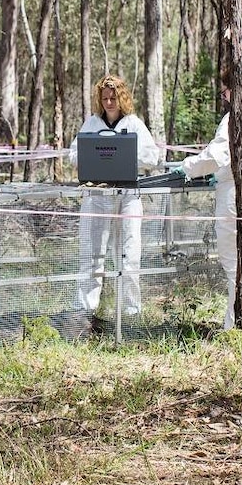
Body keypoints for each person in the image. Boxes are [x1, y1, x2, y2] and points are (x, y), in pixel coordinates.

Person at [174, 65, 242, 330]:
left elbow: (216, 155)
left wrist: (188, 167)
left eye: (224, 91)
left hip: (241, 195)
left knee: (234, 262)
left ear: (235, 90)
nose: (224, 97)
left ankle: (236, 324)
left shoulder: (237, 115)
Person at [58, 75, 161, 339]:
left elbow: (153, 156)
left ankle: (130, 313)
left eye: (113, 98)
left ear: (122, 97)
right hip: (97, 197)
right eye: (104, 98)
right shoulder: (92, 123)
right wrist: (95, 155)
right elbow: (73, 154)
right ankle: (84, 312)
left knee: (129, 254)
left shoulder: (134, 124)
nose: (109, 102)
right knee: (92, 257)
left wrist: (122, 152)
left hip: (128, 196)